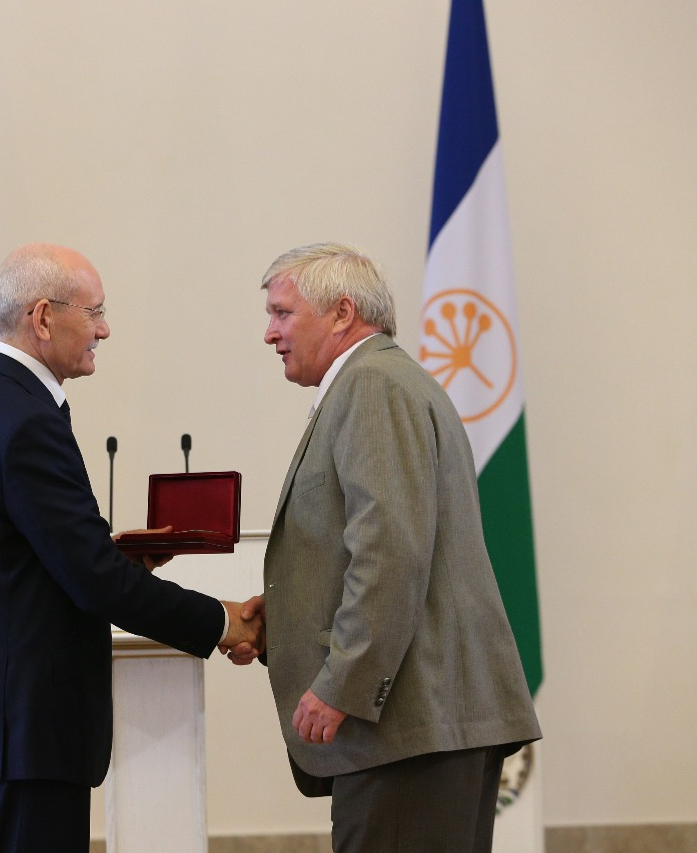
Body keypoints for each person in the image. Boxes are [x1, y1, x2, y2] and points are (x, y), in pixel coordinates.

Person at [0, 242, 263, 853]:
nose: (105, 329)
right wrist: (223, 621)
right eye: (95, 312)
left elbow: (11, 555)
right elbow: (94, 581)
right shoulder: (28, 421)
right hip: (29, 716)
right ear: (43, 317)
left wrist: (110, 556)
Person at [231, 243, 540, 853]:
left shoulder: (372, 385)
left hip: (407, 729)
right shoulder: (380, 382)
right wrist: (287, 616)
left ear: (342, 313)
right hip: (416, 729)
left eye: (282, 313)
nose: (270, 333)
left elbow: (389, 553)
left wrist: (344, 681)